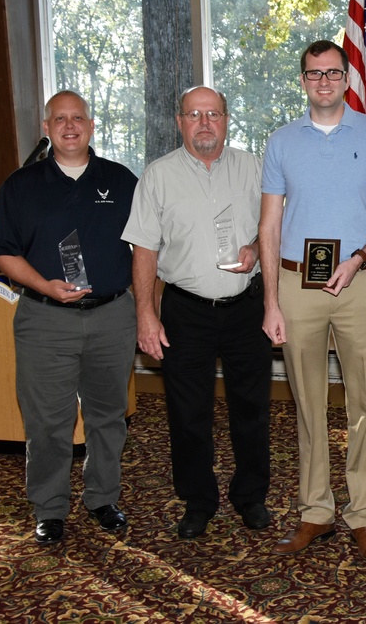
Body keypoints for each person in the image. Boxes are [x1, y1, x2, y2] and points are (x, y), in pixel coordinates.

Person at [258, 40, 366, 564]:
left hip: (356, 282)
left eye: (333, 73)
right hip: (296, 285)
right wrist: (271, 302)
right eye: (314, 74)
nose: (324, 81)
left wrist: (361, 257)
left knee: (365, 401)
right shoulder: (280, 142)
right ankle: (315, 510)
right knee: (307, 403)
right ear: (302, 80)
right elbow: (270, 225)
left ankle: (362, 514)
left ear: (347, 78)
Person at [0, 90, 137, 545]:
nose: (70, 126)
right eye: (59, 119)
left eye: (78, 118)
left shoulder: (122, 180)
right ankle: (49, 507)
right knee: (47, 421)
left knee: (108, 415)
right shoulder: (21, 185)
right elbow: (1, 253)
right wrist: (44, 285)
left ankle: (102, 497)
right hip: (45, 318)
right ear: (47, 129)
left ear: (91, 126)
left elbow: (148, 246)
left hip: (112, 316)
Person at [123, 86, 271, 540]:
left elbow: (275, 226)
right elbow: (144, 250)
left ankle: (250, 497)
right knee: (189, 413)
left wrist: (255, 251)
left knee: (253, 408)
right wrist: (146, 315)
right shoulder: (158, 176)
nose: (205, 123)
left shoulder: (255, 167)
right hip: (185, 311)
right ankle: (198, 500)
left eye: (213, 114)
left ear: (227, 119)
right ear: (179, 121)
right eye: (194, 114)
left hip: (246, 307)